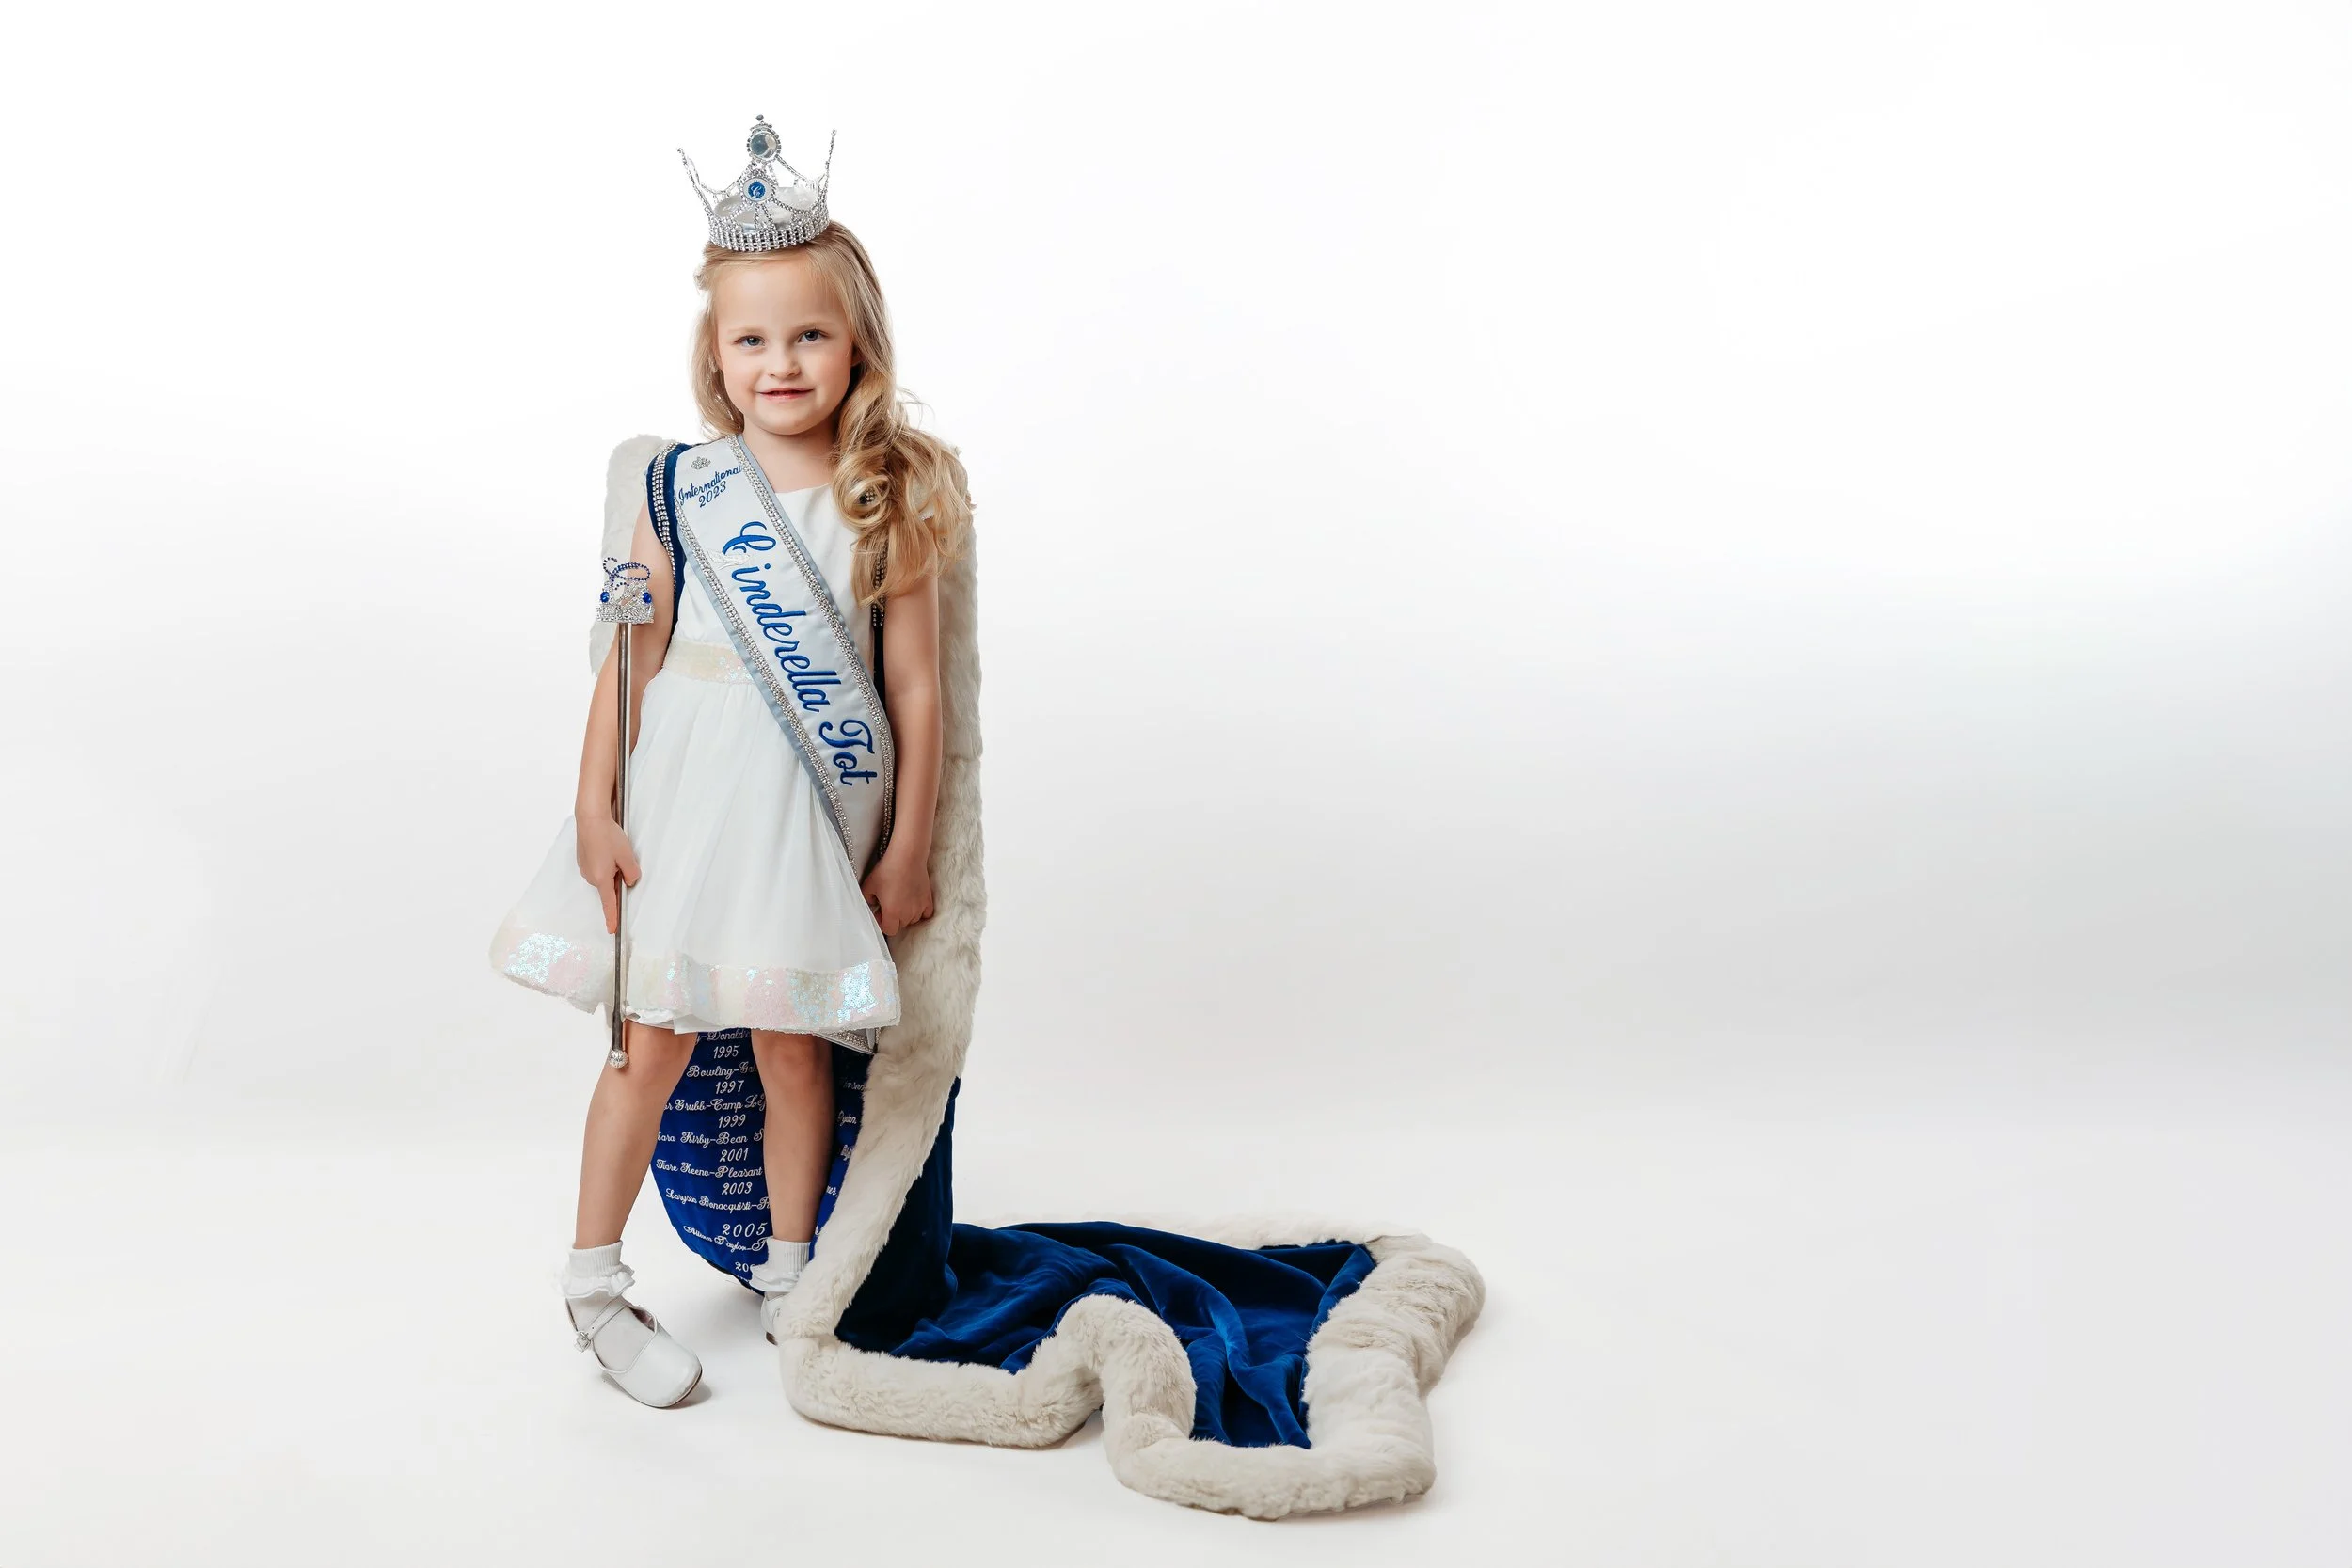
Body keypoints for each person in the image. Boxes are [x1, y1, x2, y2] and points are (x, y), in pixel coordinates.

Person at [485, 120, 972, 1407]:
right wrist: (592, 807)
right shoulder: (677, 484)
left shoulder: (889, 487)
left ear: (856, 340)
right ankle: (594, 1285)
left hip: (804, 818)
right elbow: (629, 657)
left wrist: (913, 841)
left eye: (808, 334)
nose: (780, 362)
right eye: (751, 339)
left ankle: (794, 1272)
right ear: (714, 352)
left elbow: (916, 686)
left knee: (793, 1044)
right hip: (687, 803)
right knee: (643, 1043)